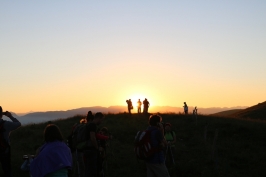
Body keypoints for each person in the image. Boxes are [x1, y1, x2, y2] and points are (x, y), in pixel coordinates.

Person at [0, 106, 21, 177]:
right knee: (7, 169)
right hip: (4, 149)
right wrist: (10, 116)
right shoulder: (6, 124)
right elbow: (18, 124)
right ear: (1, 114)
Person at [83, 112, 105, 177]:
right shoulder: (93, 125)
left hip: (87, 150)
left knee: (88, 169)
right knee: (92, 170)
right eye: (101, 120)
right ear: (98, 118)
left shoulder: (88, 124)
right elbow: (92, 138)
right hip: (91, 151)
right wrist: (97, 148)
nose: (101, 122)